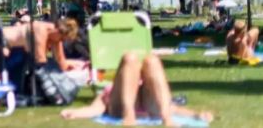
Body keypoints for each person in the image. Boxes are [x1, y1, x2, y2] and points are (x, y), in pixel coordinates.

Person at [60, 53, 213, 126]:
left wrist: (196, 115)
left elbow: (173, 107)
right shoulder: (112, 90)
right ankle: (129, 114)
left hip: (153, 108)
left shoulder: (151, 88)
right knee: (130, 58)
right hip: (121, 107)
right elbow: (96, 108)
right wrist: (76, 113)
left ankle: (167, 119)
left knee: (152, 60)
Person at [0, 18, 79, 71]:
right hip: (2, 40)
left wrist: (69, 69)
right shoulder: (41, 30)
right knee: (8, 75)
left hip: (18, 49)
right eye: (62, 39)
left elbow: (61, 60)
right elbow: (41, 60)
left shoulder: (55, 38)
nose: (61, 42)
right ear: (57, 30)